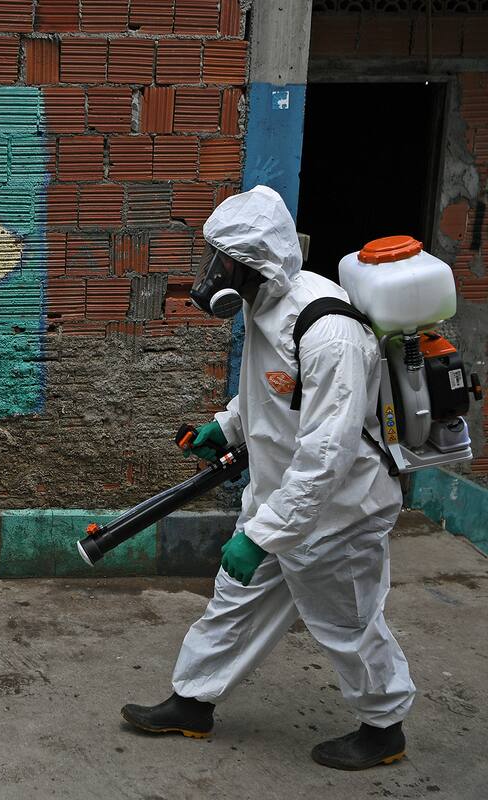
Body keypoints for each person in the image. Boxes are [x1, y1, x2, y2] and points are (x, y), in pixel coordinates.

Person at [120, 186, 414, 771]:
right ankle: (192, 703)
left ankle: (384, 727)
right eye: (215, 259)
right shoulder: (263, 306)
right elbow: (273, 392)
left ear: (257, 262)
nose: (213, 273)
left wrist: (261, 535)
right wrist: (226, 427)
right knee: (234, 601)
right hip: (284, 500)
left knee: (348, 622)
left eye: (225, 262)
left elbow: (326, 452)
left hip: (340, 513)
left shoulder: (329, 331)